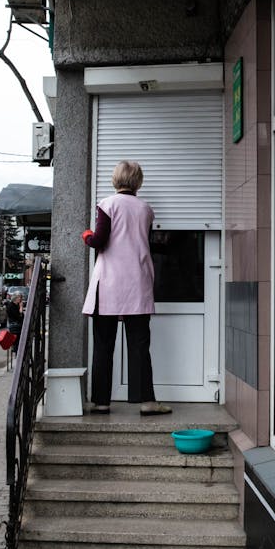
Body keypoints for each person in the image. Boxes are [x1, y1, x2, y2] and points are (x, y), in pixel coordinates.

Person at [81, 160, 172, 416]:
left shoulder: (107, 204)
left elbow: (99, 240)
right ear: (138, 182)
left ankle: (101, 402)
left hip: (108, 284)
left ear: (115, 179)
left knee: (103, 345)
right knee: (139, 345)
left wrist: (86, 235)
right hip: (138, 282)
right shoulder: (146, 209)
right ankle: (147, 402)